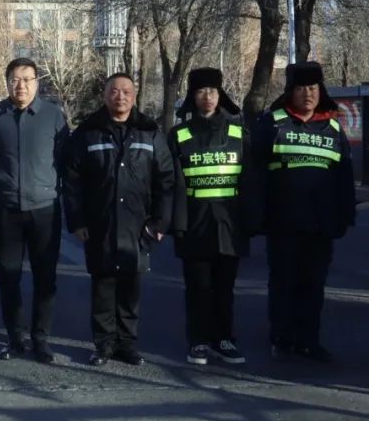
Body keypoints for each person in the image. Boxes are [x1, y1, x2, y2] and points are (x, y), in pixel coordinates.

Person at [63, 73, 174, 367]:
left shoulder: (149, 132)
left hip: (139, 225)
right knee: (103, 286)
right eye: (114, 91)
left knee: (130, 288)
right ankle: (103, 344)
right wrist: (77, 220)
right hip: (99, 223)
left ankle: (127, 344)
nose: (120, 96)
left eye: (126, 91)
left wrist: (160, 223)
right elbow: (72, 181)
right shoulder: (88, 132)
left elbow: (166, 179)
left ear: (134, 96)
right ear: (105, 95)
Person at [253, 62, 354, 363]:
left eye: (313, 88)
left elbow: (344, 177)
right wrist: (256, 214)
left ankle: (309, 340)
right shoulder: (273, 124)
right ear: (290, 91)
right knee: (283, 282)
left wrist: (345, 216)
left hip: (320, 224)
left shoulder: (333, 128)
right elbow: (256, 173)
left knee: (314, 284)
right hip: (283, 222)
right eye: (301, 88)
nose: (308, 94)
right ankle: (282, 338)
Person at [0, 58, 68, 364]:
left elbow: (64, 162)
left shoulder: (53, 116)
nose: (21, 85)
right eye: (15, 79)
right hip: (6, 210)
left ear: (37, 82)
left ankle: (41, 338)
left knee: (45, 277)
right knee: (8, 276)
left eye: (27, 79)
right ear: (7, 82)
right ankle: (15, 337)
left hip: (44, 210)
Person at [169, 68, 251, 365]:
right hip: (195, 223)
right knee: (198, 288)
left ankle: (224, 339)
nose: (208, 97)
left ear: (220, 94)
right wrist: (175, 224)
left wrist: (251, 220)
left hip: (230, 224)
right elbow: (172, 183)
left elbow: (250, 180)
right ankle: (199, 341)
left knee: (225, 289)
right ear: (193, 96)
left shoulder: (238, 133)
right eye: (202, 91)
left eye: (213, 91)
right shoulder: (179, 134)